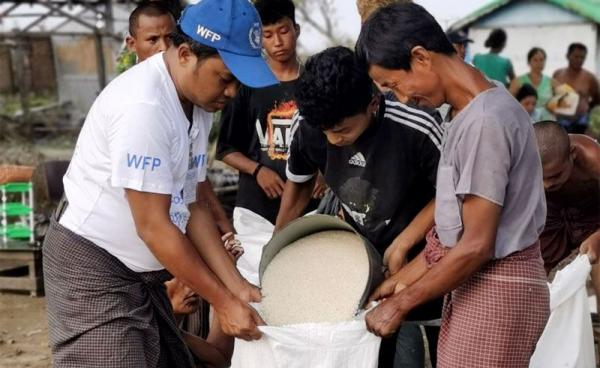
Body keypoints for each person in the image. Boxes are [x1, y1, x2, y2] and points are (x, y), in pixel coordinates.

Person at [42, 0, 277, 366]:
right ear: (184, 54)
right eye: (225, 78)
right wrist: (223, 302)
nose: (231, 93)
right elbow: (153, 226)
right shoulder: (144, 107)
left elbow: (193, 203)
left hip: (140, 271)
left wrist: (238, 286)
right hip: (93, 263)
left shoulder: (197, 101)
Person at [357, 3, 550, 367]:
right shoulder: (468, 110)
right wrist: (398, 282)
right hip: (483, 286)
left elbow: (476, 245)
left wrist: (402, 302)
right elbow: (454, 236)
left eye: (395, 85)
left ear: (420, 57)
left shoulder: (485, 122)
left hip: (499, 288)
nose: (401, 99)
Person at [276, 46, 443, 367]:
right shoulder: (312, 123)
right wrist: (279, 243)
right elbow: (298, 186)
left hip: (419, 263)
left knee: (417, 350)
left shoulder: (416, 127)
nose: (333, 140)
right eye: (325, 132)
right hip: (356, 260)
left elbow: (452, 197)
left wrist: (404, 242)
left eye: (341, 131)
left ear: (372, 103)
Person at [533, 121, 600, 303]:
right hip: (552, 212)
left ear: (573, 154)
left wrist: (597, 237)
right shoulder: (523, 159)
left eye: (555, 176)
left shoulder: (593, 158)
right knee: (537, 270)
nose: (547, 185)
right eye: (541, 178)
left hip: (593, 214)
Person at [553, 43, 600, 134]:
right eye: (576, 56)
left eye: (582, 57)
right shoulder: (558, 74)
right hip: (561, 120)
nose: (579, 60)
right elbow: (552, 96)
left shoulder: (590, 77)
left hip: (581, 122)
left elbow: (597, 98)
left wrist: (585, 107)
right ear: (568, 56)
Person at [509, 47, 558, 121]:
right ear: (529, 62)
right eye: (535, 60)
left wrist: (553, 107)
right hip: (525, 121)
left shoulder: (552, 82)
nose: (539, 63)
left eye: (541, 60)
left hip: (547, 121)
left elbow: (567, 98)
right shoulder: (517, 82)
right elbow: (508, 103)